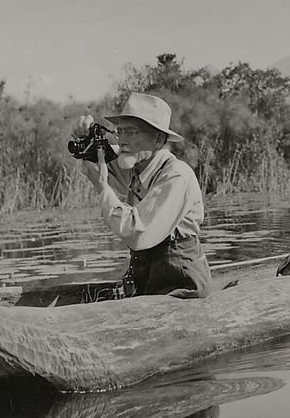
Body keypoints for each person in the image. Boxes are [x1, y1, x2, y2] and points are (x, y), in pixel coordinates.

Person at [75, 92, 212, 298]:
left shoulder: (176, 176)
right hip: (149, 279)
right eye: (120, 132)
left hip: (183, 284)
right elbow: (97, 159)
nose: (122, 141)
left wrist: (102, 187)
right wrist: (83, 137)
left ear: (158, 139)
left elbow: (138, 234)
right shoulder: (135, 163)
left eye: (132, 132)